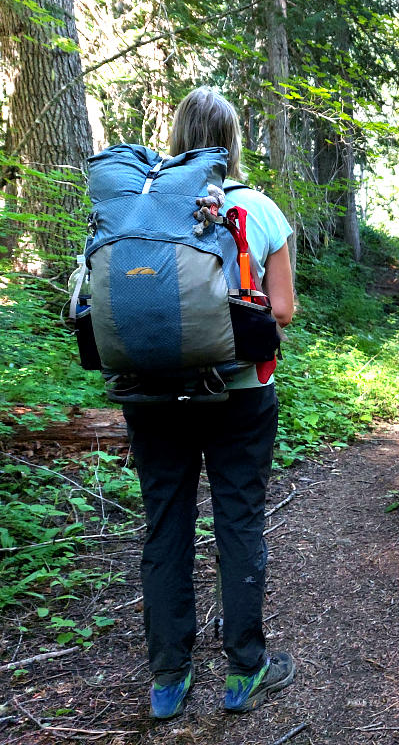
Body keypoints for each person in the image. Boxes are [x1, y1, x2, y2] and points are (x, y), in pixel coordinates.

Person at [122, 87, 296, 719]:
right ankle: (245, 669)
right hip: (240, 395)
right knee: (239, 522)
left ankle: (169, 678)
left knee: (165, 524)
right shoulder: (259, 211)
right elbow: (279, 312)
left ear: (175, 136)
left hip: (151, 394)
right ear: (233, 141)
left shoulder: (142, 204)